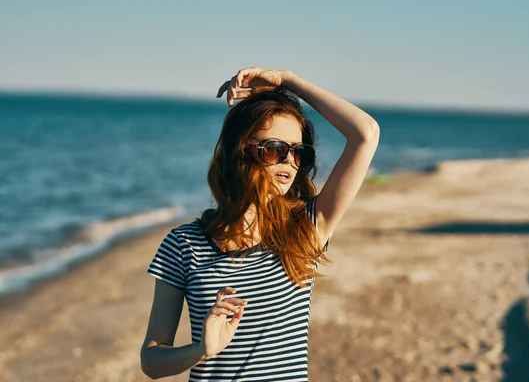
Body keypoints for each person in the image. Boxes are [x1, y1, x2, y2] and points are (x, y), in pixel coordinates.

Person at [140, 67, 380, 381]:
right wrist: (200, 351)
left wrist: (288, 81)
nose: (290, 162)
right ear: (241, 149)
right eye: (277, 149)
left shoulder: (306, 229)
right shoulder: (184, 244)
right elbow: (152, 360)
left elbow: (365, 133)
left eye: (299, 153)